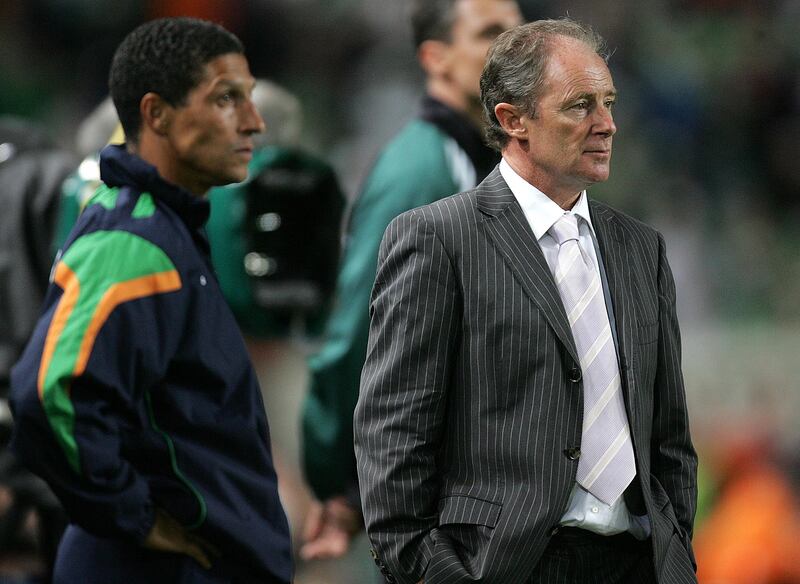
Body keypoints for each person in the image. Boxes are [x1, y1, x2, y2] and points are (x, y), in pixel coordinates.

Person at [354, 18, 698, 584]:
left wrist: (677, 553)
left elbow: (670, 439)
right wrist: (433, 573)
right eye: (579, 106)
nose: (607, 124)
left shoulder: (642, 249)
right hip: (506, 567)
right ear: (513, 120)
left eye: (608, 102)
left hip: (638, 563)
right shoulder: (438, 238)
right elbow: (392, 436)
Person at [9, 17, 292, 584]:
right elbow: (50, 392)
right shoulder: (132, 242)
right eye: (226, 100)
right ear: (156, 114)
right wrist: (132, 516)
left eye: (249, 99)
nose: (254, 122)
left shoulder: (172, 228)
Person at [300, 0, 522, 560]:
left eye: (521, 31)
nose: (516, 46)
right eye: (492, 32)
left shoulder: (482, 166)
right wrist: (343, 483)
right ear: (436, 57)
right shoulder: (423, 170)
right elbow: (357, 333)